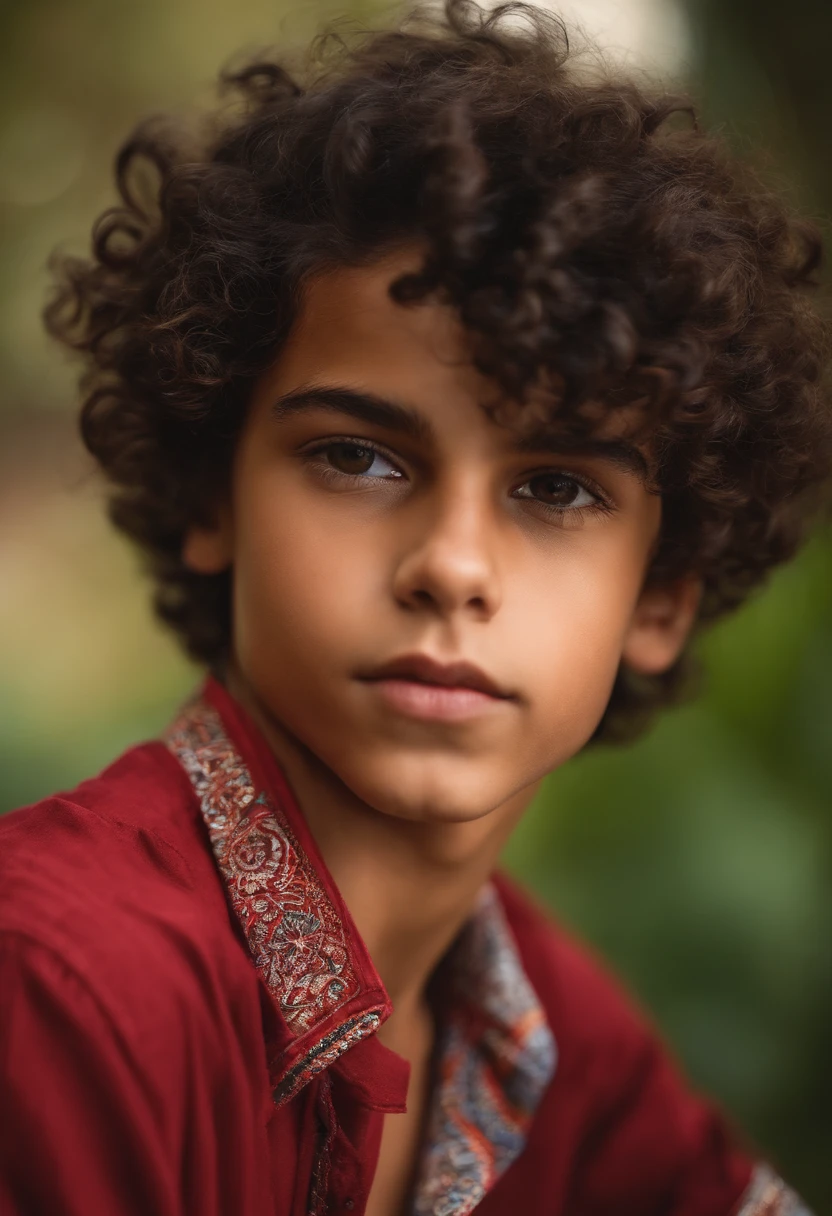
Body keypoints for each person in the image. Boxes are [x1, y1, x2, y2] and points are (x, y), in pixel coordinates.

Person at [0, 1, 827, 1212]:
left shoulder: (552, 1033)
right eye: (356, 458)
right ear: (210, 495)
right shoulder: (55, 988)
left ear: (660, 594)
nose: (452, 563)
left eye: (554, 488)